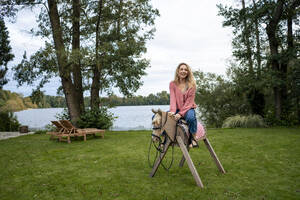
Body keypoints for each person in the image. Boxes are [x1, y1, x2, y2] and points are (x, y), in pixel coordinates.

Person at [169, 62, 198, 138]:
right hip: (176, 109)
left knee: (190, 118)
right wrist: (172, 111)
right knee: (161, 117)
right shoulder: (172, 84)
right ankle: (164, 138)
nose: (183, 71)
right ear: (178, 71)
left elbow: (189, 102)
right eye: (181, 69)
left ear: (188, 72)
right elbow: (172, 99)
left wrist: (180, 114)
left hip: (188, 109)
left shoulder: (192, 85)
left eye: (185, 70)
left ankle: (193, 137)